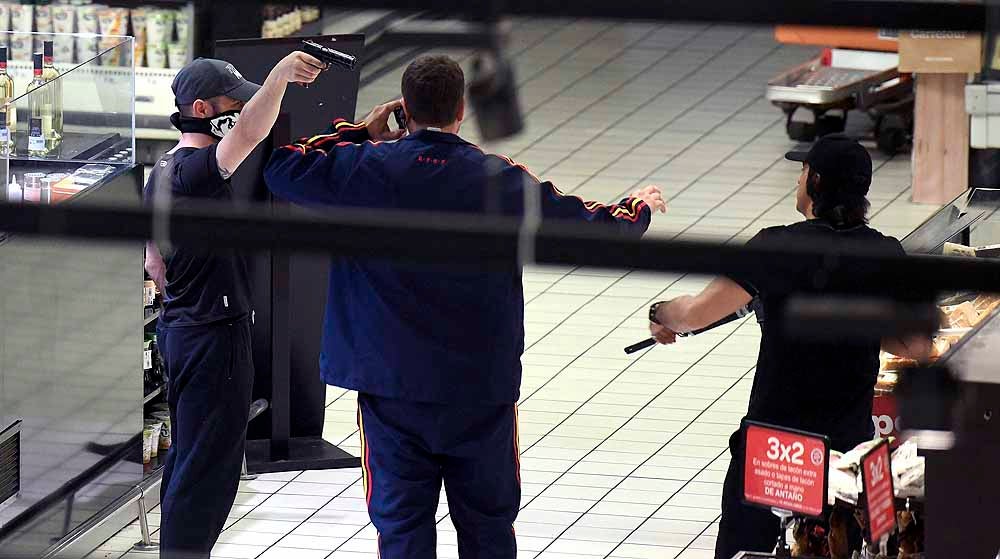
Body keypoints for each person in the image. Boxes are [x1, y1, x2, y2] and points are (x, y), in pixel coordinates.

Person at [264, 54, 666, 558]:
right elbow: (589, 226)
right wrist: (638, 206)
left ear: (403, 110)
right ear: (461, 110)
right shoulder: (498, 180)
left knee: (402, 526)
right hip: (478, 389)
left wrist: (359, 132)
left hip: (390, 388)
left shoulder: (361, 170)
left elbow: (282, 167)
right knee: (487, 526)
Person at [642, 134, 930, 558]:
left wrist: (660, 313)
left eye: (801, 172)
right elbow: (917, 345)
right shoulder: (885, 253)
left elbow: (697, 312)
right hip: (847, 454)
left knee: (751, 551)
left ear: (814, 181)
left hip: (775, 452)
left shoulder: (777, 246)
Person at [143, 52, 324, 559]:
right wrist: (281, 76)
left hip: (180, 329)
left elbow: (154, 261)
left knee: (188, 457)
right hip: (214, 334)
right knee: (210, 466)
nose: (238, 111)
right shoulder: (198, 171)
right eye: (230, 103)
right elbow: (250, 132)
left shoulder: (161, 170)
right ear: (201, 108)